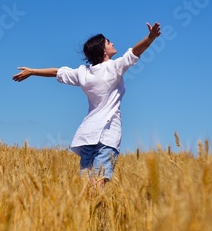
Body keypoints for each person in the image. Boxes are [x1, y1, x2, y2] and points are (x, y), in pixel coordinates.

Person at [12, 22, 162, 189]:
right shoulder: (113, 67)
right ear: (104, 51)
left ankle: (85, 213)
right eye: (108, 42)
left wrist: (32, 71)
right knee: (99, 183)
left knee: (86, 184)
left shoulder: (83, 72)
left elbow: (57, 72)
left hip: (87, 135)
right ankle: (96, 213)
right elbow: (135, 52)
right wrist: (151, 37)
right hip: (108, 133)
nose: (112, 43)